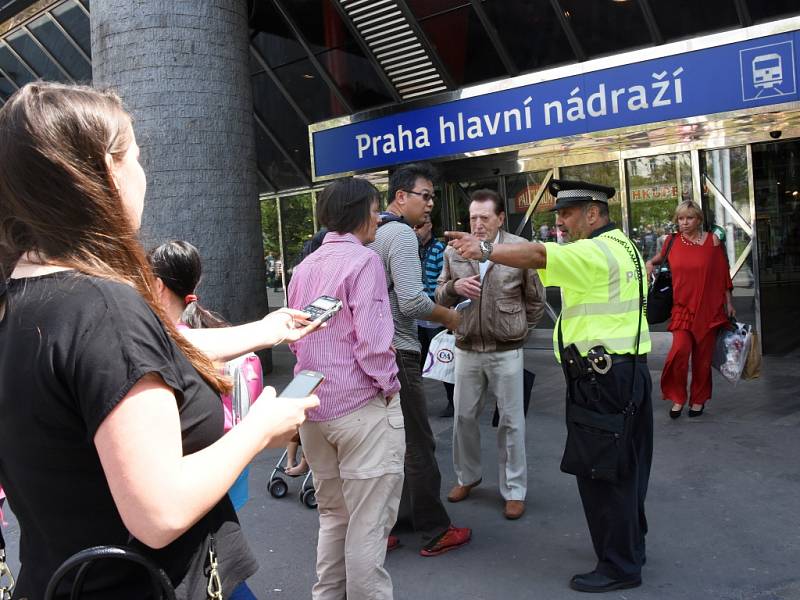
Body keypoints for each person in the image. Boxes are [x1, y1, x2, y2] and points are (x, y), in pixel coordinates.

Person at [0, 82, 320, 598]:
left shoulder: (22, 296)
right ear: (108, 171)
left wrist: (265, 330)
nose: (143, 176)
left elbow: (140, 366)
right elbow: (160, 510)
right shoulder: (104, 307)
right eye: (138, 158)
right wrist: (260, 429)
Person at [448, 179, 653, 593]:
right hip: (628, 373)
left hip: (601, 380)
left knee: (600, 472)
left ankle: (618, 566)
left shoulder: (593, 250)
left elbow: (539, 255)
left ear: (593, 214)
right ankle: (631, 547)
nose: (560, 222)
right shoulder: (624, 247)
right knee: (627, 467)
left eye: (567, 213)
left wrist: (485, 248)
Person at [287, 177, 405, 600]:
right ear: (359, 212)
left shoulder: (304, 268)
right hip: (360, 407)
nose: (379, 216)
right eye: (376, 208)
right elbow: (374, 343)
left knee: (334, 517)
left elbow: (293, 333)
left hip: (315, 409)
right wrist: (390, 388)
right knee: (368, 524)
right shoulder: (365, 262)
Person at [367, 162, 471, 557]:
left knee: (387, 444)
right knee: (418, 444)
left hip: (371, 352)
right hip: (399, 351)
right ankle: (434, 531)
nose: (429, 204)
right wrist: (449, 316)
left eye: (431, 197)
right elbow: (411, 300)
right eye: (424, 196)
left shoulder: (367, 234)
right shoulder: (400, 234)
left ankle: (390, 524)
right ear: (400, 197)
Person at [436, 189, 545, 520]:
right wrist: (454, 289)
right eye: (473, 218)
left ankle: (514, 490)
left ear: (500, 218)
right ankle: (467, 477)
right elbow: (439, 295)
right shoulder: (454, 251)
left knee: (511, 422)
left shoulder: (516, 250)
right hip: (467, 347)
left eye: (485, 217)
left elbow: (536, 300)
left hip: (506, 349)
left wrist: (518, 332)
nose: (478, 224)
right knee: (463, 419)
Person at [646, 200, 735, 418]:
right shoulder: (671, 241)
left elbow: (722, 273)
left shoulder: (712, 242)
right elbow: (656, 260)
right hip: (681, 308)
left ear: (699, 219)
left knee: (702, 360)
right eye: (680, 218)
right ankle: (677, 397)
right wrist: (649, 265)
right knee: (678, 353)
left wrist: (729, 302)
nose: (684, 223)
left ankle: (698, 400)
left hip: (708, 309)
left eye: (689, 218)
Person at [414, 215, 455, 417]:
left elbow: (445, 282)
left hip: (436, 313)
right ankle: (417, 406)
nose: (416, 230)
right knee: (417, 363)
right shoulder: (412, 249)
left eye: (419, 226)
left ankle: (453, 402)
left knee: (443, 359)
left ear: (429, 226)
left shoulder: (439, 250)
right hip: (418, 315)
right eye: (414, 227)